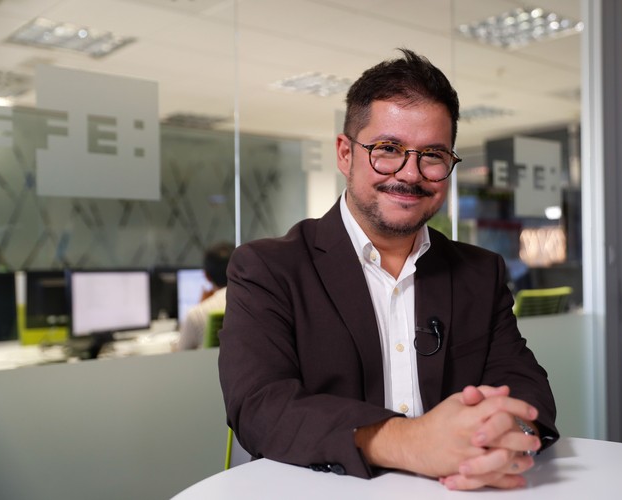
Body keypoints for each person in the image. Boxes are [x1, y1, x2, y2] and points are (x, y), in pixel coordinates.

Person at [218, 49, 558, 491]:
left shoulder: (479, 272)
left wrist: (505, 435)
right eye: (388, 149)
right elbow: (260, 407)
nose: (410, 173)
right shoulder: (268, 268)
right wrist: (409, 442)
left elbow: (525, 386)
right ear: (345, 153)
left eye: (432, 155)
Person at [177, 241, 234, 350]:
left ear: (206, 276)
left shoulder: (196, 314)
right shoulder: (254, 304)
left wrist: (202, 305)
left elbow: (180, 353)